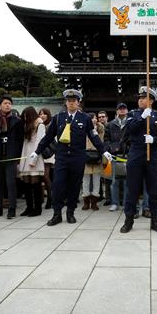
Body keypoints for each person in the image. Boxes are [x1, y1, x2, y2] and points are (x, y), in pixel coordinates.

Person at [32, 89, 111, 226]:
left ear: (78, 102)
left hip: (77, 158)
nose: (71, 103)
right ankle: (57, 214)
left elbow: (93, 136)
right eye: (69, 101)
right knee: (57, 186)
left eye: (74, 101)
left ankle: (70, 212)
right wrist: (37, 151)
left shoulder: (85, 118)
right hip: (62, 157)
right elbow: (48, 137)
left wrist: (103, 151)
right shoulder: (58, 117)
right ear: (66, 102)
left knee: (74, 186)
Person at [119, 87, 157, 234]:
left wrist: (155, 139)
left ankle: (155, 220)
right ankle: (128, 220)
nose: (140, 100)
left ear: (151, 101)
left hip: (153, 154)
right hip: (136, 153)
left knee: (154, 190)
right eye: (139, 98)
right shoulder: (133, 114)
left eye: (144, 98)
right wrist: (141, 118)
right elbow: (128, 131)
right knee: (132, 189)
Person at [0, 94, 24, 219]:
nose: (7, 105)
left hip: (11, 155)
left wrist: (18, 156)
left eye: (9, 103)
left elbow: (20, 140)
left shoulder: (17, 121)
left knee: (11, 182)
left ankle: (12, 208)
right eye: (5, 103)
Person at [18, 106, 46, 217]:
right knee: (26, 184)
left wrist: (33, 160)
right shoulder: (26, 126)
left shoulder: (40, 125)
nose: (25, 118)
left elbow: (40, 142)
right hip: (25, 155)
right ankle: (29, 207)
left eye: (26, 115)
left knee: (35, 184)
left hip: (35, 157)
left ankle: (37, 208)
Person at [81, 112, 105, 211]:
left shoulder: (99, 129)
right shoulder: (83, 128)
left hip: (96, 156)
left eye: (94, 118)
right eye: (91, 118)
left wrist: (95, 124)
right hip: (85, 155)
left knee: (96, 180)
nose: (93, 119)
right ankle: (86, 201)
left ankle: (94, 202)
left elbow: (102, 129)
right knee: (85, 180)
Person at [39, 108, 56, 209]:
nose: (42, 115)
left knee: (46, 176)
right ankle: (42, 197)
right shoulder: (39, 125)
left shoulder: (51, 125)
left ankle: (50, 198)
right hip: (40, 153)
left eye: (44, 114)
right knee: (41, 176)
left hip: (48, 153)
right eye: (40, 114)